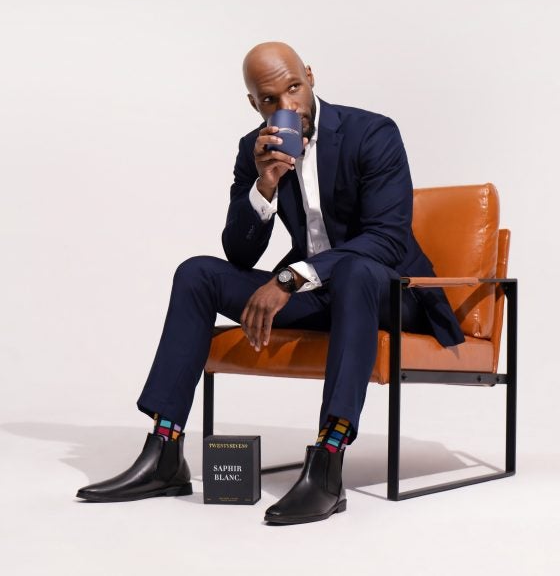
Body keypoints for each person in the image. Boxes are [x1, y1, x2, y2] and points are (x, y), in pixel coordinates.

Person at [76, 41, 464, 524]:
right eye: (269, 99)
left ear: (310, 76)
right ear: (254, 103)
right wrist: (265, 185)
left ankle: (327, 462)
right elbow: (239, 254)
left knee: (355, 272)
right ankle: (165, 453)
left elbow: (385, 239)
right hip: (319, 295)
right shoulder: (254, 149)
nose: (287, 106)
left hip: (390, 293)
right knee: (198, 273)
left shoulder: (372, 132)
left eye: (294, 88)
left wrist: (289, 277)